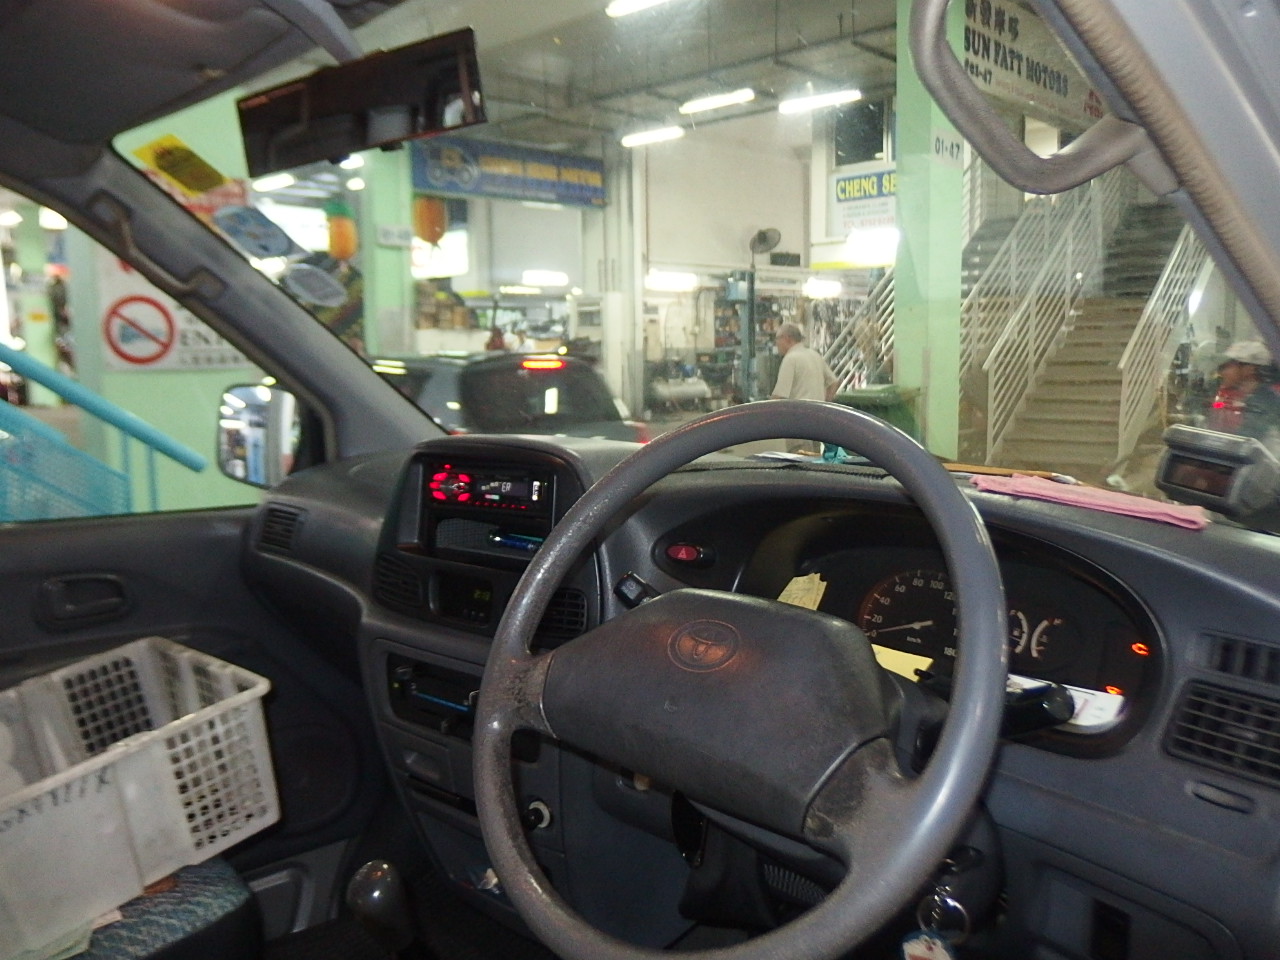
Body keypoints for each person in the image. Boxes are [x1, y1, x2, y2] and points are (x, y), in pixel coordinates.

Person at [770, 322, 838, 455]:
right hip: (817, 420)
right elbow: (834, 382)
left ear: (787, 338)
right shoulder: (814, 355)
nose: (776, 343)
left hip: (798, 423)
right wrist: (825, 402)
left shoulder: (790, 359)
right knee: (814, 460)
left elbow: (779, 396)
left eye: (777, 339)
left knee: (800, 460)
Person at [1205, 339, 1280, 448]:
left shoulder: (1267, 402)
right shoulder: (1234, 395)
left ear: (1250, 369)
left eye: (1229, 366)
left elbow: (1242, 441)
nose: (1222, 372)